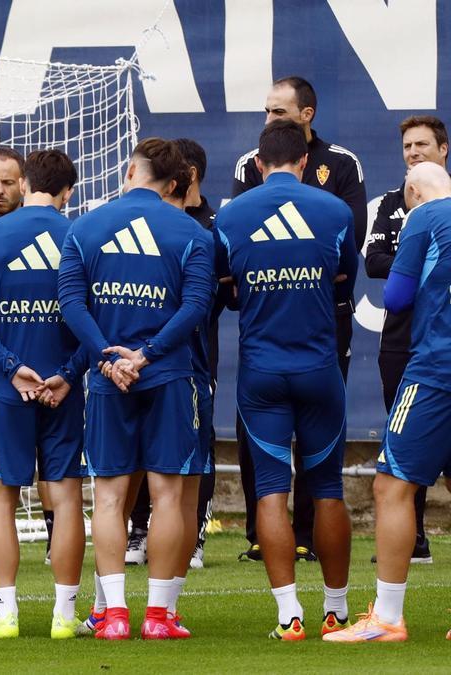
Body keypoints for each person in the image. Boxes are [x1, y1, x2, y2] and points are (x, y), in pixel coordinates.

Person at [59, 138, 212, 640]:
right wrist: (145, 355)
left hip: (107, 379)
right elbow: (195, 309)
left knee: (108, 497)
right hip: (168, 376)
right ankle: (159, 616)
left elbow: (72, 305)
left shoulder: (84, 228)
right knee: (168, 495)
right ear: (175, 184)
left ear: (130, 171)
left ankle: (115, 615)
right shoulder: (191, 232)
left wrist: (108, 354)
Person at [217, 119, 357, 641]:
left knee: (272, 491)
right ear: (304, 162)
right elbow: (344, 275)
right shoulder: (334, 210)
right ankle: (337, 612)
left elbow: (223, 282)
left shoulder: (232, 216)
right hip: (320, 368)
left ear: (258, 165)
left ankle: (288, 616)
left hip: (262, 373)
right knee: (327, 490)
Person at [231, 76, 366, 564]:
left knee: (313, 471)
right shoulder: (249, 164)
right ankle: (266, 545)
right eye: (266, 111)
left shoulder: (343, 165)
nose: (269, 120)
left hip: (320, 331)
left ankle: (301, 551)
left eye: (279, 112)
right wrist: (304, 275)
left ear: (307, 115)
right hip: (289, 337)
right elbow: (338, 268)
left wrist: (274, 276)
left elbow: (348, 261)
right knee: (279, 462)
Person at [0, 149, 88, 639]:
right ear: (68, 191)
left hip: (5, 389)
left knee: (0, 498)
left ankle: (7, 614)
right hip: (63, 389)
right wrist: (69, 374)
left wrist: (12, 368)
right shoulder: (80, 236)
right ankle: (65, 616)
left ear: (25, 181)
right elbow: (90, 321)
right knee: (68, 497)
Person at [326, 162, 451, 643]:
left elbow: (396, 296)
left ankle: (388, 618)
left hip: (437, 368)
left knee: (392, 484)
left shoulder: (424, 216)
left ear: (414, 192)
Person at [126, 138, 222, 571]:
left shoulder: (207, 227)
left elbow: (209, 300)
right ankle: (139, 532)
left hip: (191, 360)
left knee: (190, 458)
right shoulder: (136, 222)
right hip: (134, 361)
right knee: (132, 462)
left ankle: (195, 534)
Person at [363, 115, 448, 566]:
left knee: (395, 473)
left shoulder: (423, 213)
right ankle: (412, 540)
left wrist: (417, 260)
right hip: (402, 345)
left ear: (443, 150)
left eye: (421, 145)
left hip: (433, 356)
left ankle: (388, 613)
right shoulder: (392, 203)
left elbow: (394, 287)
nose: (412, 152)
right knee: (405, 459)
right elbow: (372, 260)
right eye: (407, 146)